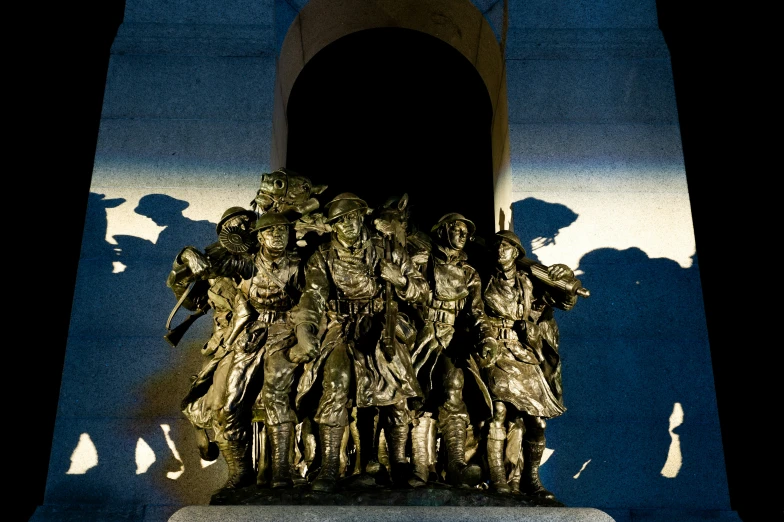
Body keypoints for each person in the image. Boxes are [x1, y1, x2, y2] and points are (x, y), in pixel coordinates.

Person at [291, 193, 428, 492]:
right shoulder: (323, 256)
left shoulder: (389, 249)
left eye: (353, 217)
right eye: (341, 221)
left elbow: (422, 290)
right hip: (342, 328)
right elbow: (313, 296)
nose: (349, 225)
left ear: (362, 217)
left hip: (383, 326)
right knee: (336, 383)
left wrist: (400, 280)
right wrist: (305, 329)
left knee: (395, 392)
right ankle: (328, 467)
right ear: (333, 226)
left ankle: (399, 464)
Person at [478, 230, 582, 499]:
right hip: (496, 351)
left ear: (516, 253)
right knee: (498, 411)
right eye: (498, 246)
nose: (502, 251)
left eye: (507, 247)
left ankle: (531, 479)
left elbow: (565, 301)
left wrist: (566, 276)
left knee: (537, 422)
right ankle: (499, 477)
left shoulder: (530, 281)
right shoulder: (482, 279)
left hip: (524, 353)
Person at [407, 213, 498, 488]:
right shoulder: (423, 262)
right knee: (416, 398)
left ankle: (455, 463)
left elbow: (477, 312)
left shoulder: (470, 273)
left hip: (452, 338)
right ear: (442, 231)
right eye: (456, 229)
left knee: (454, 385)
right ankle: (417, 466)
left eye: (464, 231)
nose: (461, 234)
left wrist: (488, 337)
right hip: (422, 336)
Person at [220, 212, 309, 490]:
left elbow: (308, 302)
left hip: (284, 332)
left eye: (283, 230)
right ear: (260, 236)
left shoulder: (297, 265)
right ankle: (241, 471)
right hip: (251, 334)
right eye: (271, 231)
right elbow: (203, 268)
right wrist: (187, 256)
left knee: (276, 396)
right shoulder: (243, 263)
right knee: (230, 403)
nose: (278, 235)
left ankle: (282, 471)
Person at [168, 206, 258, 465]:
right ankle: (236, 467)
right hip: (228, 342)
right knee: (219, 399)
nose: (243, 227)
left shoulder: (263, 255)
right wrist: (184, 257)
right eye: (236, 223)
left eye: (247, 222)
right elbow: (193, 301)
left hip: (265, 335)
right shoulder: (211, 260)